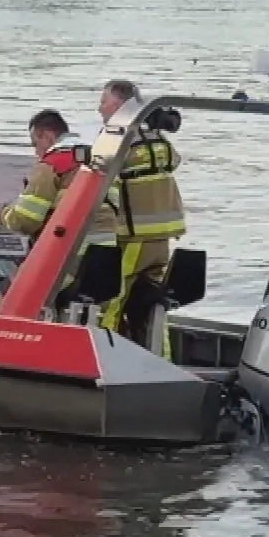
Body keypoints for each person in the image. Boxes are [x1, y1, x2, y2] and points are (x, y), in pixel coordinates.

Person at [96, 78, 186, 347]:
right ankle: (161, 360)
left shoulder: (118, 143)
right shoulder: (157, 140)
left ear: (120, 105)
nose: (99, 109)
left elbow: (95, 180)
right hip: (163, 239)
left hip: (134, 237)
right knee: (152, 304)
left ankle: (104, 354)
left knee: (112, 299)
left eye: (103, 102)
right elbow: (174, 161)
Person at [0, 108, 116, 259]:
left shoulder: (53, 163)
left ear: (48, 136)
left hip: (71, 255)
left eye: (35, 144)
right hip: (108, 249)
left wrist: (3, 214)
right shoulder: (99, 158)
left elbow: (26, 220)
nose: (36, 152)